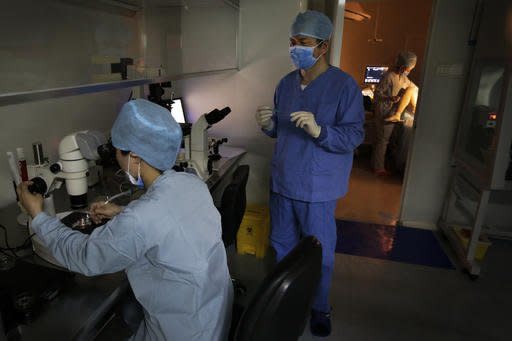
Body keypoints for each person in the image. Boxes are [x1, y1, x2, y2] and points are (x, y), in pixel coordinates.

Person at [17, 99, 233, 341]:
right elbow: (171, 221)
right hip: (213, 311)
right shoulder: (192, 183)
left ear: (136, 157)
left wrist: (38, 215)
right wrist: (121, 212)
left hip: (182, 330)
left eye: (118, 151)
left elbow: (85, 256)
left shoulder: (141, 219)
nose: (117, 159)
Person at [255, 10, 364, 337]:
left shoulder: (344, 87)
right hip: (283, 183)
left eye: (303, 42)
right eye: (292, 41)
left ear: (323, 46)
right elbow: (282, 133)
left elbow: (355, 135)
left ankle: (319, 308)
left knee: (319, 255)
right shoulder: (286, 84)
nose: (295, 48)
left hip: (317, 188)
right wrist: (269, 126)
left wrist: (321, 131)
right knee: (281, 249)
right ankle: (284, 303)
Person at [372, 51, 418, 176]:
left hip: (392, 110)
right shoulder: (389, 76)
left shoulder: (403, 77)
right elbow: (377, 94)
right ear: (402, 66)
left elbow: (411, 86)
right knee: (382, 140)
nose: (409, 71)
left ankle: (380, 163)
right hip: (384, 111)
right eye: (408, 69)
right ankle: (378, 168)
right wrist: (390, 98)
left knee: (387, 140)